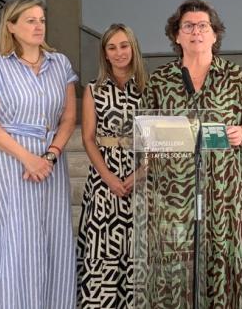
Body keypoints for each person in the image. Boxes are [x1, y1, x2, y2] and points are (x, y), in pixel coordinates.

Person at [143, 0, 242, 308]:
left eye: (203, 26)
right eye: (188, 26)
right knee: (177, 270)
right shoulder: (160, 80)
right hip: (174, 197)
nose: (196, 31)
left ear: (214, 34)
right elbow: (144, 133)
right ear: (176, 35)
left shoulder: (234, 76)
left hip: (222, 195)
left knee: (221, 262)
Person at [0, 0, 78, 308]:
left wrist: (50, 155)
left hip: (51, 163)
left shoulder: (60, 64)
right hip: (9, 161)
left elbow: (68, 118)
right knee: (13, 238)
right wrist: (28, 158)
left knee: (54, 236)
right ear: (11, 27)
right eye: (30, 21)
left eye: (42, 20)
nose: (39, 26)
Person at [76, 23, 147, 308]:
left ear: (133, 48)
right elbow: (88, 138)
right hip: (104, 181)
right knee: (101, 250)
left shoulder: (148, 88)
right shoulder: (94, 90)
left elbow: (159, 138)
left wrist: (140, 173)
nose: (119, 53)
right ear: (105, 53)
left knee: (136, 252)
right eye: (112, 47)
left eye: (124, 45)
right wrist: (108, 178)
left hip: (141, 179)